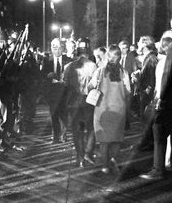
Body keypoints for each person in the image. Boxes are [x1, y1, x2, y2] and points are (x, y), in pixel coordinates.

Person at [140, 21, 172, 180]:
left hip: (170, 98)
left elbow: (168, 73)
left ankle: (158, 169)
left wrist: (161, 96)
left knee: (159, 130)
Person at [88, 44, 130, 174]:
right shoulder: (124, 72)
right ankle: (112, 159)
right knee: (116, 139)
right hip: (119, 110)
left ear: (108, 56)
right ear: (119, 57)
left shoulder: (100, 71)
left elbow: (90, 87)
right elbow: (128, 91)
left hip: (102, 109)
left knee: (104, 141)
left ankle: (105, 166)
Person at [63, 37, 97, 167]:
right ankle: (88, 153)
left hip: (73, 102)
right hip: (88, 101)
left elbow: (65, 84)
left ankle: (80, 157)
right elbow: (96, 85)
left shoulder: (69, 67)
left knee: (77, 131)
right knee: (90, 129)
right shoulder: (93, 66)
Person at [42, 38, 72, 143]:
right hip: (52, 90)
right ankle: (55, 136)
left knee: (64, 113)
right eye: (54, 48)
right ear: (51, 48)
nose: (57, 50)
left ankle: (63, 136)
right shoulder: (47, 61)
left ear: (62, 48)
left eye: (59, 48)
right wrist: (47, 76)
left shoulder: (68, 60)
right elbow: (41, 75)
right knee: (53, 114)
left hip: (65, 90)